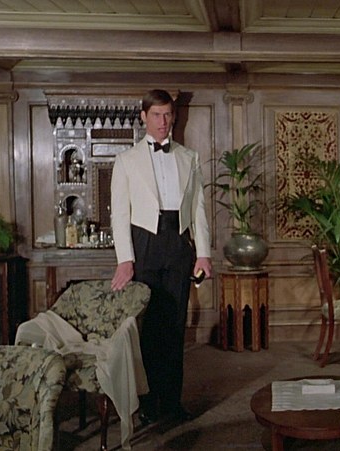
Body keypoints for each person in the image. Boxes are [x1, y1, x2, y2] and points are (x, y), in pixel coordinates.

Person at [110, 89, 213, 425]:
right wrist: (125, 259)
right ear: (143, 117)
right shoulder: (126, 161)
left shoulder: (189, 157)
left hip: (178, 243)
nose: (163, 121)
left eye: (168, 114)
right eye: (156, 115)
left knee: (175, 326)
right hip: (145, 243)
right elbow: (119, 215)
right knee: (149, 327)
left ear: (174, 116)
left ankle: (171, 403)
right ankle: (148, 404)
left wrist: (203, 254)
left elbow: (198, 210)